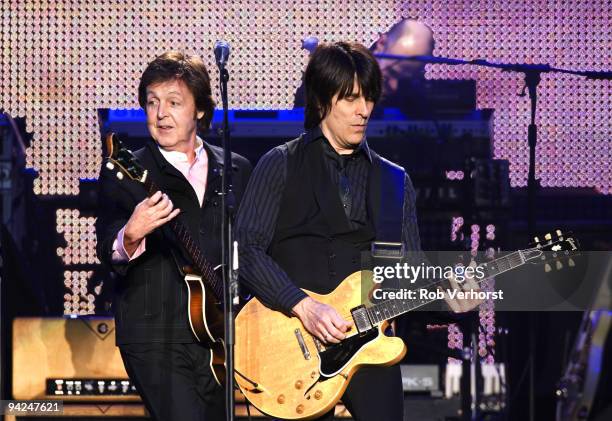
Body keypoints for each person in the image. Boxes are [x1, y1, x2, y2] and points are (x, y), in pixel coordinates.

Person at [236, 41, 480, 420]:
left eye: (368, 98)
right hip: (291, 347)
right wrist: (303, 305)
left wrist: (450, 303)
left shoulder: (395, 181)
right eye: (350, 98)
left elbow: (407, 280)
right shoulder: (280, 164)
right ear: (321, 102)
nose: (363, 110)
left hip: (371, 351)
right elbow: (247, 251)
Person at [95, 51, 251, 421]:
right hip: (154, 335)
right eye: (152, 103)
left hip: (218, 337)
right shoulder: (128, 170)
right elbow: (107, 245)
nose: (160, 113)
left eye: (174, 102)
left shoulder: (235, 170)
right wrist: (130, 235)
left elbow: (251, 249)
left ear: (199, 109)